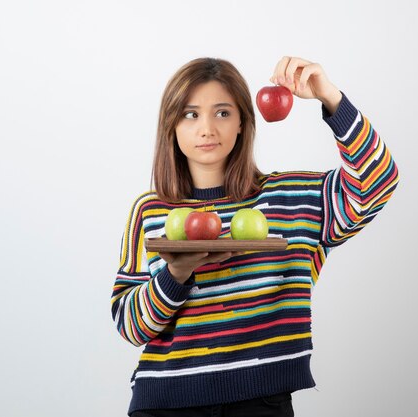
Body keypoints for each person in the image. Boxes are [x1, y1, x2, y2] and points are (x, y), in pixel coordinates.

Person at [111, 56, 399, 417]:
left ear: (244, 124)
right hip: (165, 402)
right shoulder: (151, 211)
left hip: (261, 401)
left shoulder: (289, 199)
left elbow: (378, 182)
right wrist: (176, 275)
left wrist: (331, 98)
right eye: (190, 114)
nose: (206, 129)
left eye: (222, 113)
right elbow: (130, 325)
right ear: (171, 125)